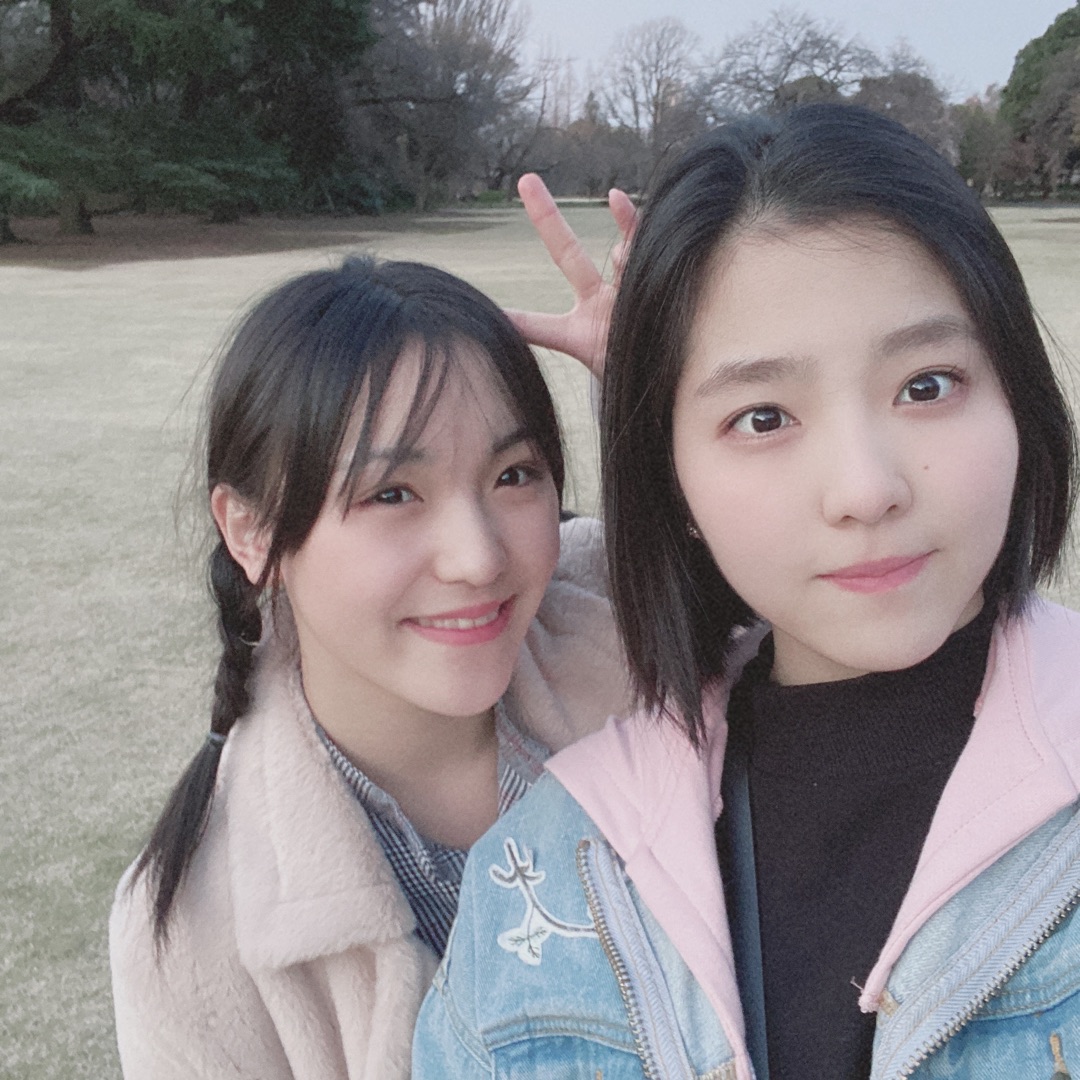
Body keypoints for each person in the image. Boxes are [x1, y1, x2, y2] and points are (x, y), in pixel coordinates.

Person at [413, 104, 1080, 1078]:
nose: (865, 490)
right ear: (671, 478)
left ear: (1019, 397)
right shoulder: (550, 871)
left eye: (928, 385)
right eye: (763, 417)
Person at [108, 257, 630, 1080]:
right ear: (251, 532)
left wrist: (661, 392)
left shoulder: (637, 633)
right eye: (392, 494)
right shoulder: (186, 935)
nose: (478, 558)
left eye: (514, 475)